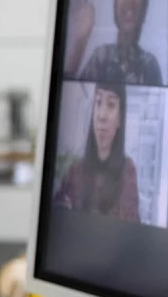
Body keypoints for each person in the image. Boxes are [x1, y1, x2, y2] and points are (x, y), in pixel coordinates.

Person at [64, 0, 163, 85]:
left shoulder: (150, 65)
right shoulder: (100, 57)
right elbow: (71, 98)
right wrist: (79, 44)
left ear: (145, 1)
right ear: (115, 4)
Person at [53, 82, 140, 220]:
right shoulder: (75, 171)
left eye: (111, 105)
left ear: (120, 119)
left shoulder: (127, 172)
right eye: (98, 102)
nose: (101, 116)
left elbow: (130, 228)